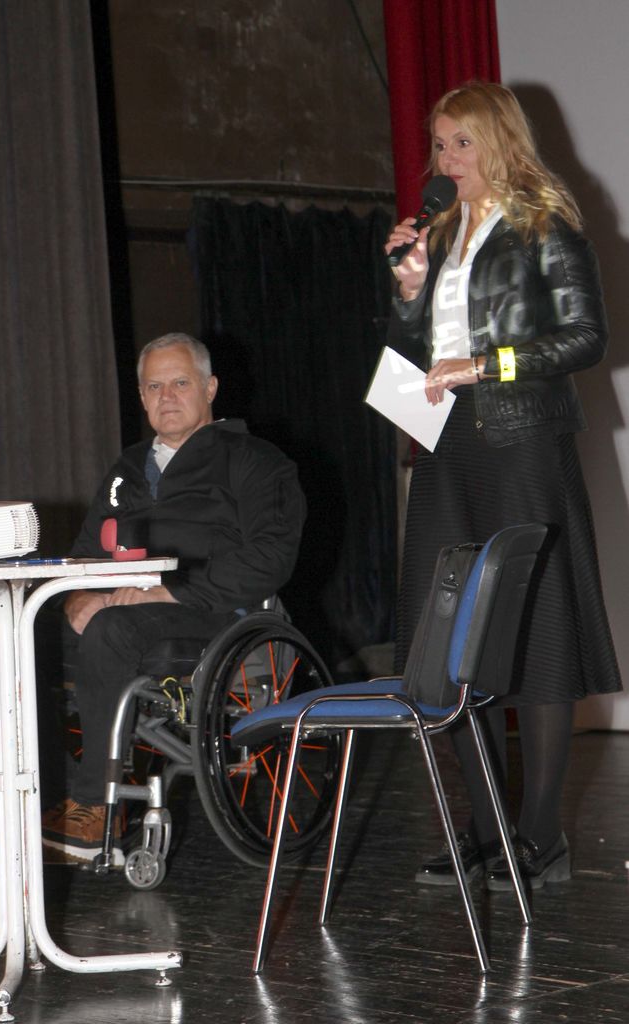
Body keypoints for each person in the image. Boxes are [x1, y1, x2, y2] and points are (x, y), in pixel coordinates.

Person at [385, 82, 621, 891]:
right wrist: (409, 292)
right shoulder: (439, 234)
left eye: (462, 142)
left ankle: (540, 835)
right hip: (444, 443)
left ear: (499, 141)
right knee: (448, 635)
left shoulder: (544, 225)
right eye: (439, 143)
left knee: (537, 628)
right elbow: (413, 348)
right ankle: (485, 832)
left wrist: (489, 366)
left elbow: (587, 338)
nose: (445, 158)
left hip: (520, 443)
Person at [41, 332, 306, 863]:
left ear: (210, 388)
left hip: (216, 615)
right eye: (154, 386)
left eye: (180, 383)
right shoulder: (127, 470)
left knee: (111, 629)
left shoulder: (253, 459)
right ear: (141, 397)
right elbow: (85, 554)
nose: (166, 397)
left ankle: (97, 808)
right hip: (127, 615)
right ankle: (52, 794)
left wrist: (166, 591)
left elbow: (271, 556)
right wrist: (77, 599)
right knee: (15, 633)